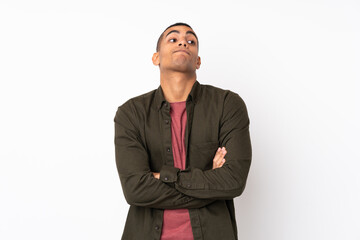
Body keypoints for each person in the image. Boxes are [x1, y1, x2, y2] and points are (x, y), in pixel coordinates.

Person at [114, 22, 252, 240]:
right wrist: (209, 180)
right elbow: (135, 189)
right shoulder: (132, 113)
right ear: (156, 58)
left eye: (191, 41)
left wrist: (163, 177)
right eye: (173, 39)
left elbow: (233, 181)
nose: (182, 42)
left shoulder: (227, 104)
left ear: (198, 61)